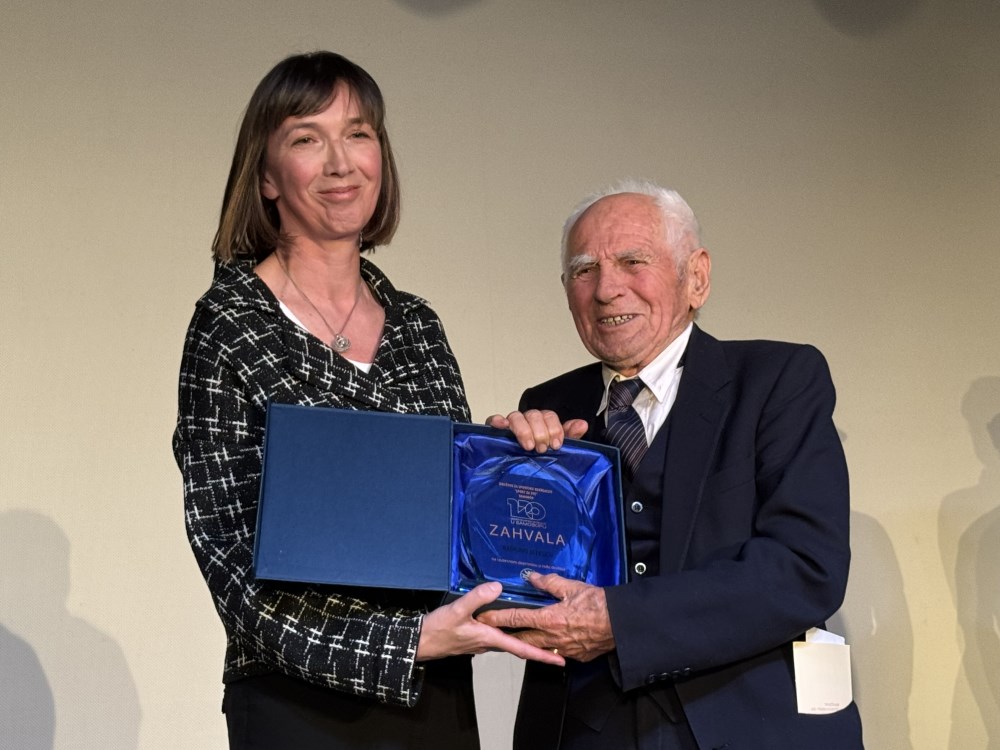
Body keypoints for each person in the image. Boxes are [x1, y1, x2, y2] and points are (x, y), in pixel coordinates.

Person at [172, 51, 566, 750]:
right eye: (306, 138)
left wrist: (515, 462)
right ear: (266, 176)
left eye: (358, 134)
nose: (340, 163)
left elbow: (449, 530)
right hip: (298, 699)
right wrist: (402, 643)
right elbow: (227, 552)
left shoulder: (417, 325)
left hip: (436, 694)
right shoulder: (229, 323)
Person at [481, 180, 865, 749]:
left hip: (751, 728)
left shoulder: (778, 380)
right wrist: (496, 479)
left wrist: (619, 622)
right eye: (584, 270)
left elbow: (806, 568)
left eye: (633, 261)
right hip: (587, 731)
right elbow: (522, 577)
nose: (607, 289)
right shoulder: (548, 409)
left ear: (697, 278)